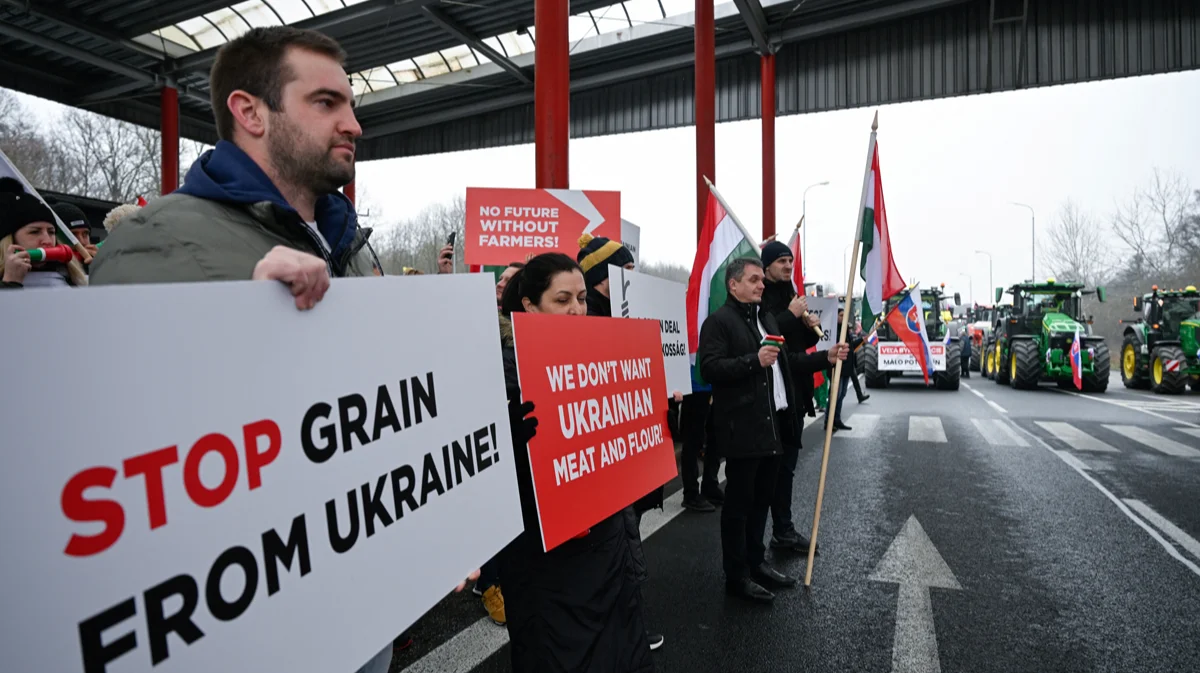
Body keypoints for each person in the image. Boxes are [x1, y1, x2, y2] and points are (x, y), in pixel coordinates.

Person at [85, 25, 471, 673]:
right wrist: (240, 321)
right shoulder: (158, 240)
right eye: (326, 103)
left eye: (352, 106)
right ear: (250, 112)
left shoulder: (349, 243)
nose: (353, 124)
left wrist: (436, 518)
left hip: (357, 597)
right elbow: (130, 457)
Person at [497, 252, 655, 672]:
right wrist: (506, 437)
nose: (577, 309)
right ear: (530, 306)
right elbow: (483, 476)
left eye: (582, 298)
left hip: (607, 546)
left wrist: (651, 414)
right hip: (545, 560)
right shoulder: (501, 371)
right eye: (562, 299)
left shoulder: (601, 356)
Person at [697, 257, 846, 603]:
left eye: (761, 281)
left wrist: (825, 357)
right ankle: (737, 575)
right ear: (733, 285)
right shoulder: (719, 322)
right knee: (739, 505)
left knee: (762, 500)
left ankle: (756, 562)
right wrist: (754, 360)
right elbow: (710, 368)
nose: (761, 285)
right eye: (753, 280)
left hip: (773, 424)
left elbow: (787, 362)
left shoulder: (765, 319)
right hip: (743, 427)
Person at [576, 233, 666, 652]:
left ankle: (624, 627)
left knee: (624, 541)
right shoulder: (590, 323)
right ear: (603, 276)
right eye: (627, 270)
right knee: (618, 545)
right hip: (604, 458)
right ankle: (626, 632)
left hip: (626, 450)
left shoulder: (625, 316)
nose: (634, 276)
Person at [758, 241, 827, 554]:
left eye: (790, 260)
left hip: (797, 393)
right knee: (775, 471)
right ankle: (775, 534)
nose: (788, 266)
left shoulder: (791, 294)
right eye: (781, 261)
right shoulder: (763, 297)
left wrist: (811, 326)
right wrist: (790, 315)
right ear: (767, 266)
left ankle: (783, 529)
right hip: (777, 396)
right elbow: (773, 342)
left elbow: (799, 341)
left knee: (786, 469)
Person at [1, 182, 88, 289]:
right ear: (9, 240)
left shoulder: (75, 280)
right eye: (35, 232)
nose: (47, 241)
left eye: (51, 232)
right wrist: (10, 284)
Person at [827, 307, 862, 433]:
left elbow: (850, 347)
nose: (843, 318)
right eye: (841, 315)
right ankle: (829, 421)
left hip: (846, 368)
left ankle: (837, 419)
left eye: (844, 315)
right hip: (837, 368)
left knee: (841, 395)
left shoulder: (845, 330)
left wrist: (862, 340)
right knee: (834, 396)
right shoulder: (834, 331)